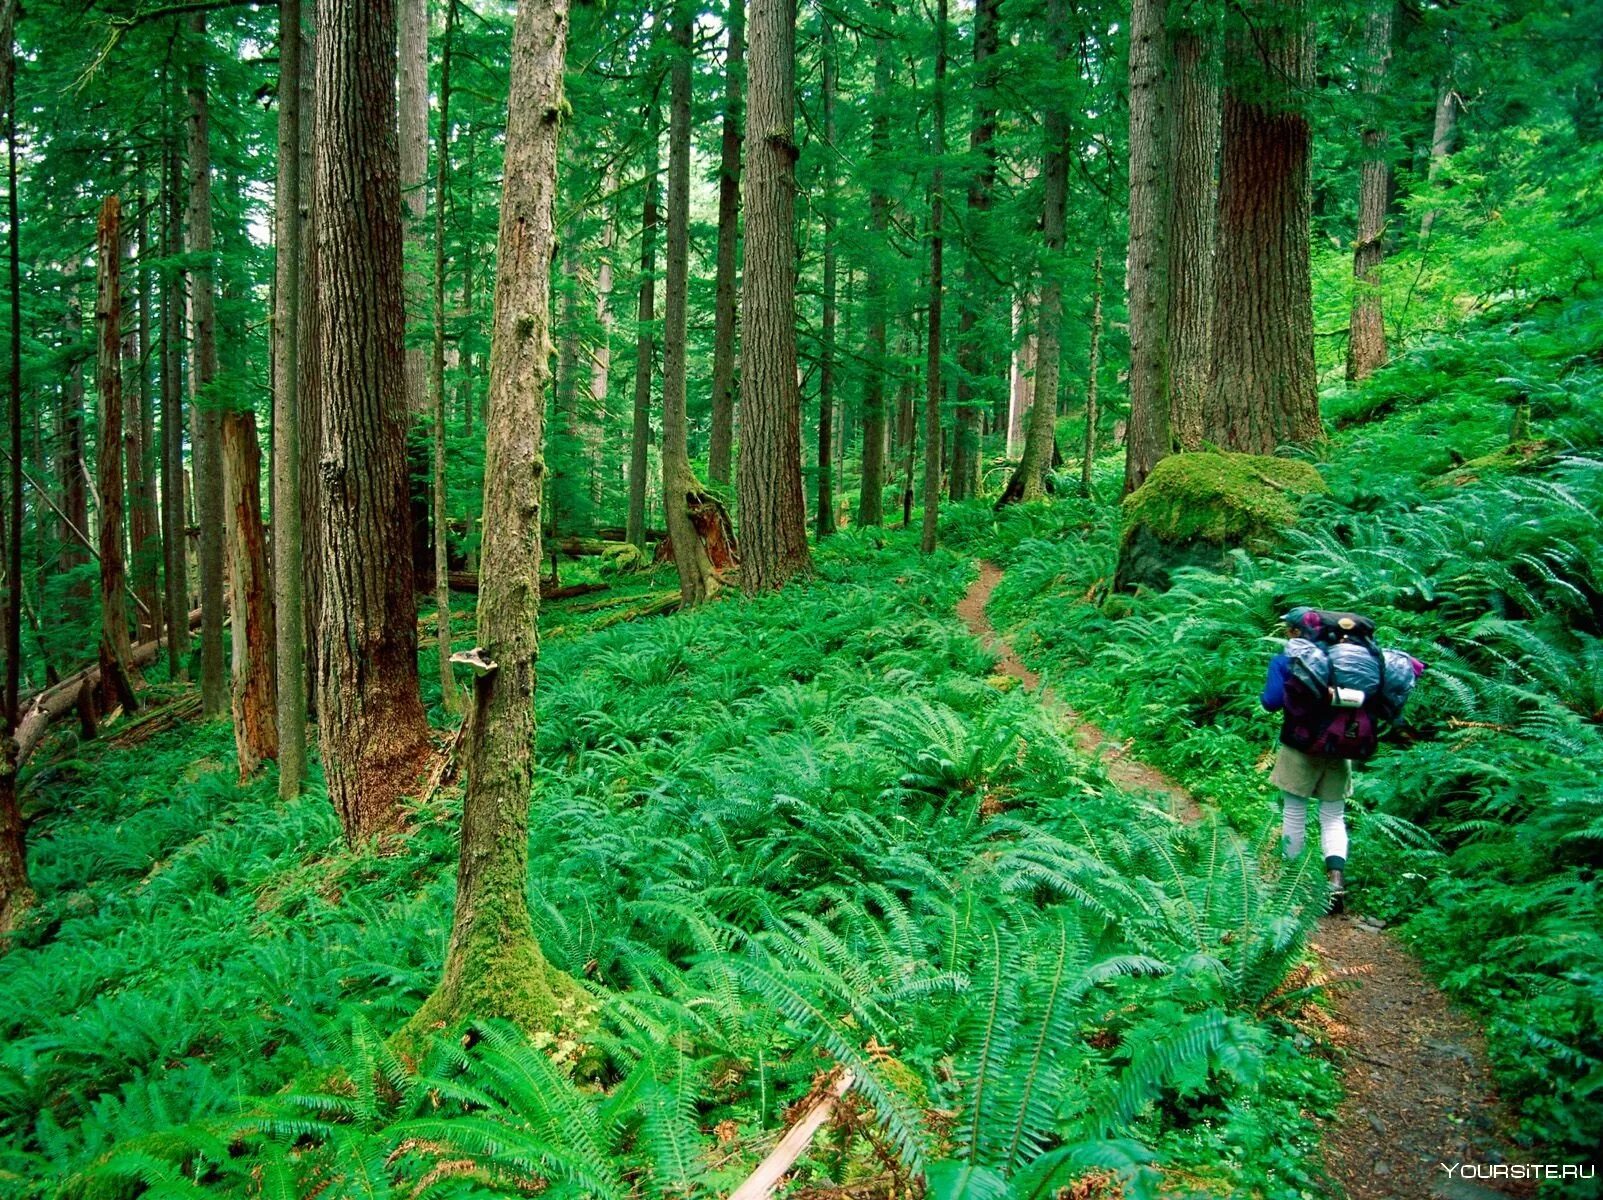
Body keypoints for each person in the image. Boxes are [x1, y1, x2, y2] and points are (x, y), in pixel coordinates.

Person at [1261, 616, 1352, 909]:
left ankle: (1290, 882)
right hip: (1339, 746)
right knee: (1333, 816)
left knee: (1295, 813)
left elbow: (1271, 701)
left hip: (1299, 744)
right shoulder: (1347, 659)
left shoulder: (1286, 660)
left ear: (1298, 632)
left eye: (1289, 627)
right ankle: (1335, 881)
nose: (1286, 632)